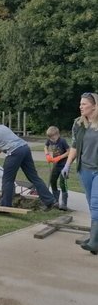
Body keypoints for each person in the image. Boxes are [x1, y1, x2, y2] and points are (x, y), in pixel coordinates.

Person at [0, 113, 55, 209]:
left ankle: (5, 205)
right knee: (34, 177)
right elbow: (1, 147)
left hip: (15, 153)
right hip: (25, 148)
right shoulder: (2, 127)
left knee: (7, 180)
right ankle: (50, 201)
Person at [61, 92, 98, 254]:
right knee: (92, 205)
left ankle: (94, 242)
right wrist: (67, 165)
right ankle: (95, 238)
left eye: (84, 104)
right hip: (85, 170)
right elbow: (75, 146)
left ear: (95, 106)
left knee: (96, 205)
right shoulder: (78, 124)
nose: (80, 107)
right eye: (80, 104)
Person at [44, 126, 70, 211]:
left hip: (64, 165)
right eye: (50, 138)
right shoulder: (49, 140)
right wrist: (47, 154)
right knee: (52, 180)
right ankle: (55, 201)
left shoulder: (62, 141)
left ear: (57, 134)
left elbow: (69, 151)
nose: (52, 139)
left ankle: (64, 203)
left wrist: (60, 157)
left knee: (62, 183)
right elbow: (45, 147)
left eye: (53, 137)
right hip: (56, 165)